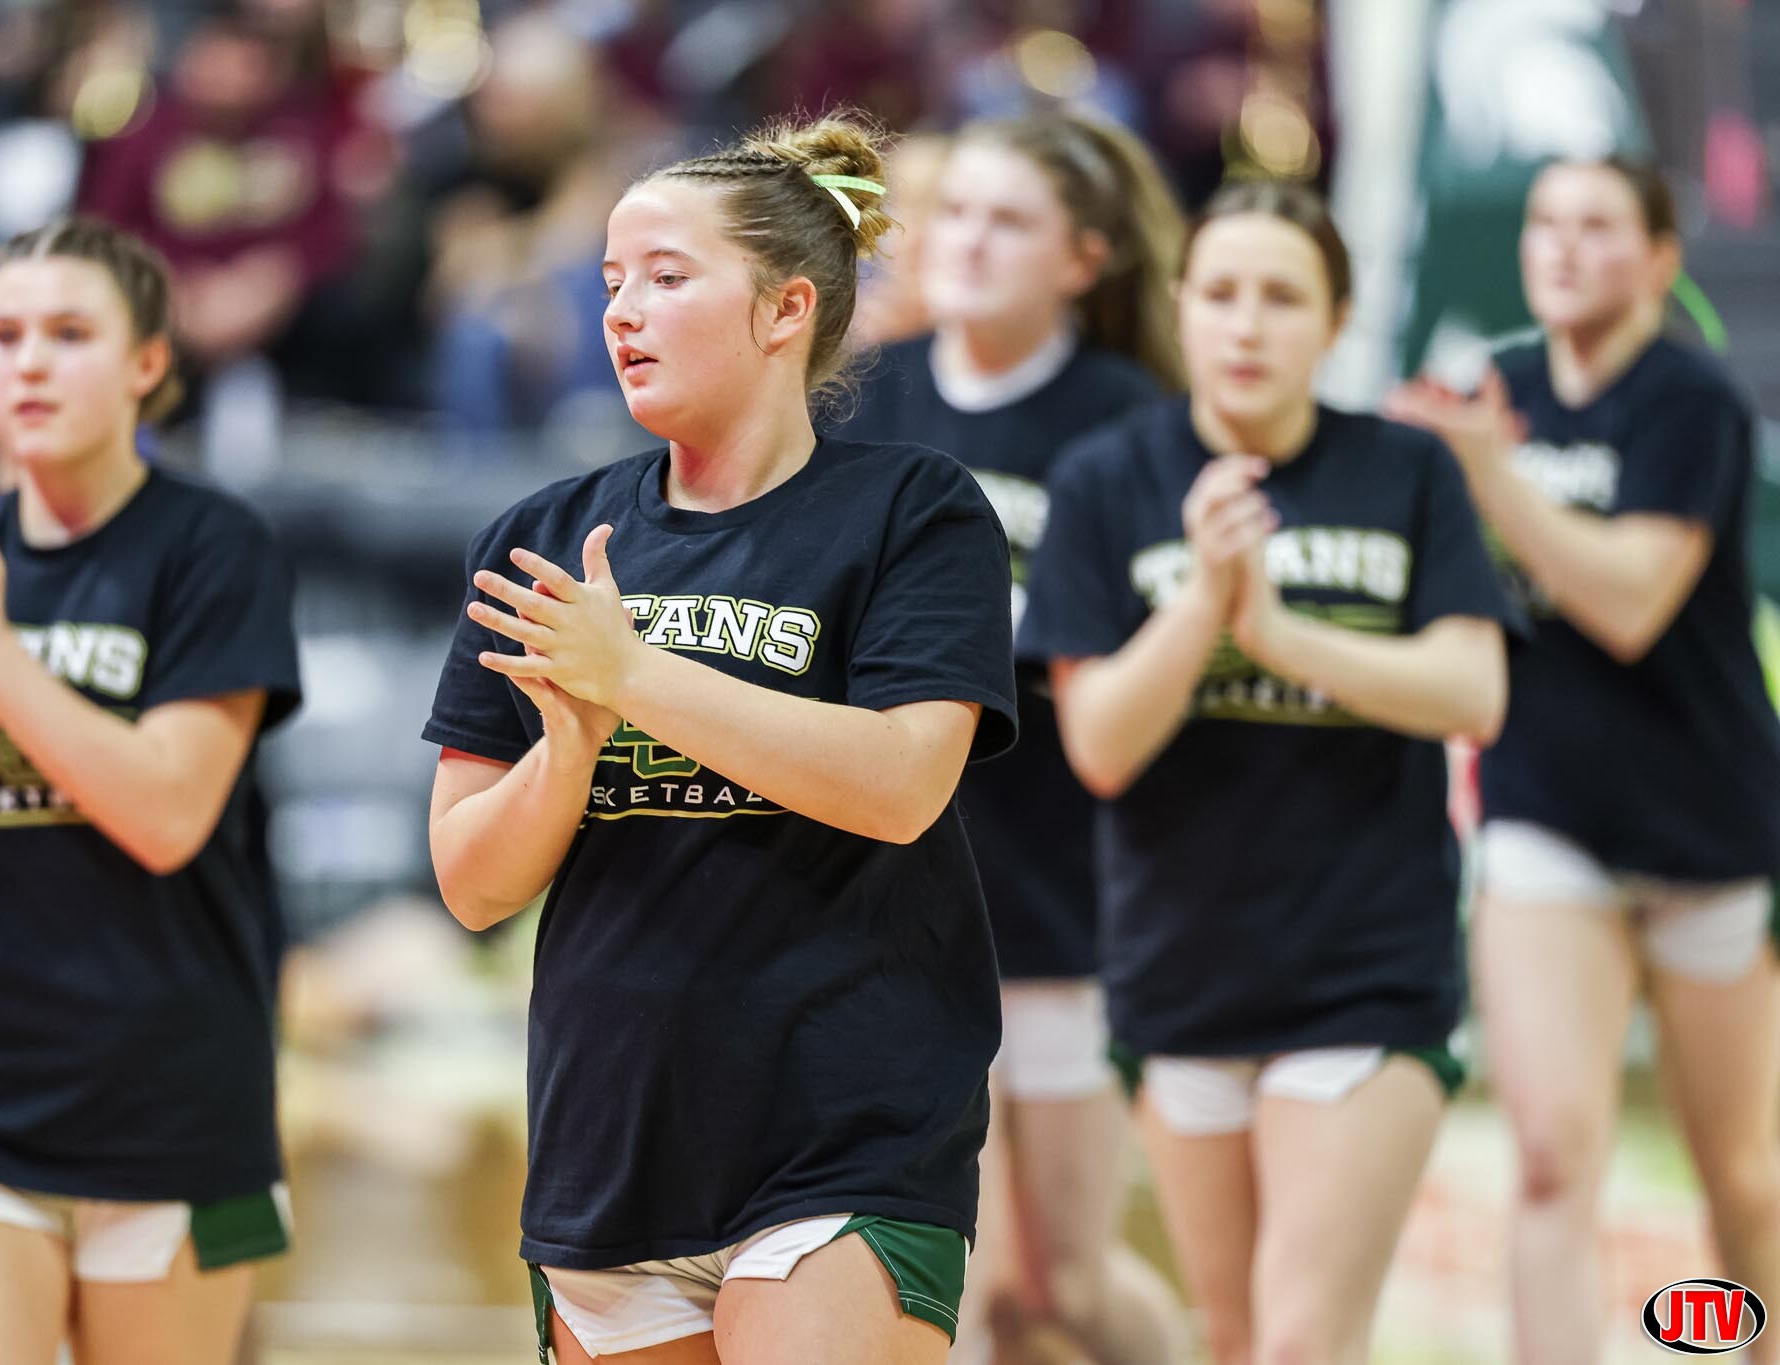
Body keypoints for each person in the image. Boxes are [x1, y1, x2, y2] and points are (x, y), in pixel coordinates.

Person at [423, 112, 1019, 1365]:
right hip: (610, 1131)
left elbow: (903, 783)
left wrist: (634, 675)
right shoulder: (541, 535)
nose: (620, 312)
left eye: (665, 276)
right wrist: (572, 742)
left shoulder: (912, 510)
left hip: (847, 1123)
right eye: (610, 282)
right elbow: (473, 882)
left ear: (784, 308)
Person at [1019, 181, 1515, 1365]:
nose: (1247, 325)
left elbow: (1471, 691)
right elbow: (1099, 746)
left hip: (1364, 970)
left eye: (1282, 298)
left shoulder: (1403, 470)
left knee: (1301, 1340)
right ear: (1180, 307)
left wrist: (1281, 634)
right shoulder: (1105, 477)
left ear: (1336, 319)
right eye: (1222, 294)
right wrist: (1204, 598)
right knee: (1236, 1337)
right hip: (1179, 971)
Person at [0, 216, 302, 1365]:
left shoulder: (213, 545)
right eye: (4, 337)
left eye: (70, 334)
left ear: (147, 363)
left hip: (178, 1104)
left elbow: (167, 816)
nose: (29, 363)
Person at [1388, 155, 1780, 1365]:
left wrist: (1486, 474)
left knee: (1742, 1180)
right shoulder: (1492, 389)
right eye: (1545, 223)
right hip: (1543, 813)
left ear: (1659, 260)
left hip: (1706, 827)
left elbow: (1627, 601)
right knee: (1552, 1155)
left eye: (1596, 226)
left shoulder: (1687, 400)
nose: (1560, 246)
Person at [831, 111, 1185, 1365]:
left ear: (1082, 259)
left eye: (1009, 220)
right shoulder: (867, 396)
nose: (969, 241)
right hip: (890, 893)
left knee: (1061, 1290)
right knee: (944, 1285)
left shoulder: (1132, 423)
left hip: (1063, 897)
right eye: (957, 213)